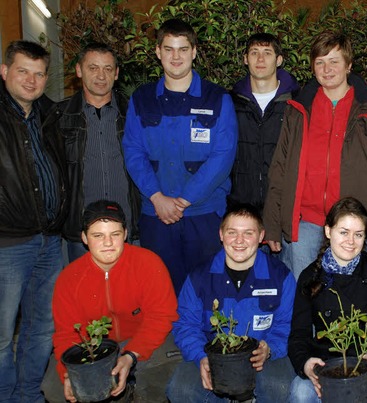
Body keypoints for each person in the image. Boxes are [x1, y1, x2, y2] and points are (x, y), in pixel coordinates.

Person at [122, 18, 238, 295]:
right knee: (160, 291)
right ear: (158, 52)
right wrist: (157, 197)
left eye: (183, 49)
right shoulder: (142, 98)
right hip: (156, 214)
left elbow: (223, 156)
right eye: (169, 49)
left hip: (205, 214)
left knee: (207, 290)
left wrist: (184, 200)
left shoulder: (217, 98)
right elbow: (133, 151)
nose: (176, 57)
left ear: (194, 52)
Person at [263, 30, 367, 279]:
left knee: (359, 304)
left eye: (334, 61)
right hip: (306, 224)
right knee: (306, 302)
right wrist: (272, 224)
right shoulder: (297, 109)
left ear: (348, 65)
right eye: (320, 62)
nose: (327, 69)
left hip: (356, 226)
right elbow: (279, 169)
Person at [43, 200, 178, 403]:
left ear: (125, 234)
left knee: (164, 372)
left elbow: (162, 317)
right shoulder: (69, 277)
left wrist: (130, 355)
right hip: (95, 348)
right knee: (54, 388)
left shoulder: (148, 263)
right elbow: (66, 334)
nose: (108, 243)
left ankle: (139, 394)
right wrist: (69, 373)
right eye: (98, 236)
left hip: (143, 338)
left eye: (114, 234)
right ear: (84, 238)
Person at [167, 204, 296, 402]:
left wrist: (270, 348)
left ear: (261, 236)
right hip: (212, 356)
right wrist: (201, 356)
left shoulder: (280, 276)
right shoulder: (200, 277)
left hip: (262, 357)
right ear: (221, 234)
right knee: (181, 390)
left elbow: (288, 323)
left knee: (280, 387)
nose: (239, 241)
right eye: (232, 232)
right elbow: (185, 324)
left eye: (248, 233)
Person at [0, 40, 67, 402]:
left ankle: (27, 395)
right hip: (7, 242)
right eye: (23, 71)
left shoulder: (49, 115)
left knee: (41, 328)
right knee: (0, 334)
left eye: (39, 73)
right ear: (4, 71)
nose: (31, 80)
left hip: (49, 240)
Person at [288, 197, 367, 403]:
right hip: (324, 365)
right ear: (328, 231)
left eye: (358, 235)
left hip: (364, 368)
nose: (350, 241)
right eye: (343, 232)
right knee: (300, 394)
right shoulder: (310, 277)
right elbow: (298, 334)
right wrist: (305, 363)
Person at [57, 42, 140, 262]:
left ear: (116, 74)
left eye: (108, 69)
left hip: (128, 230)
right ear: (78, 70)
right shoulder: (59, 117)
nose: (101, 75)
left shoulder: (134, 114)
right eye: (93, 68)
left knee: (128, 294)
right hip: (80, 233)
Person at [228, 33, 299, 213]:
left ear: (279, 60)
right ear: (245, 59)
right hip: (240, 207)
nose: (260, 59)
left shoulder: (297, 104)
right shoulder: (230, 103)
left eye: (267, 53)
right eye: (254, 53)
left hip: (283, 207)